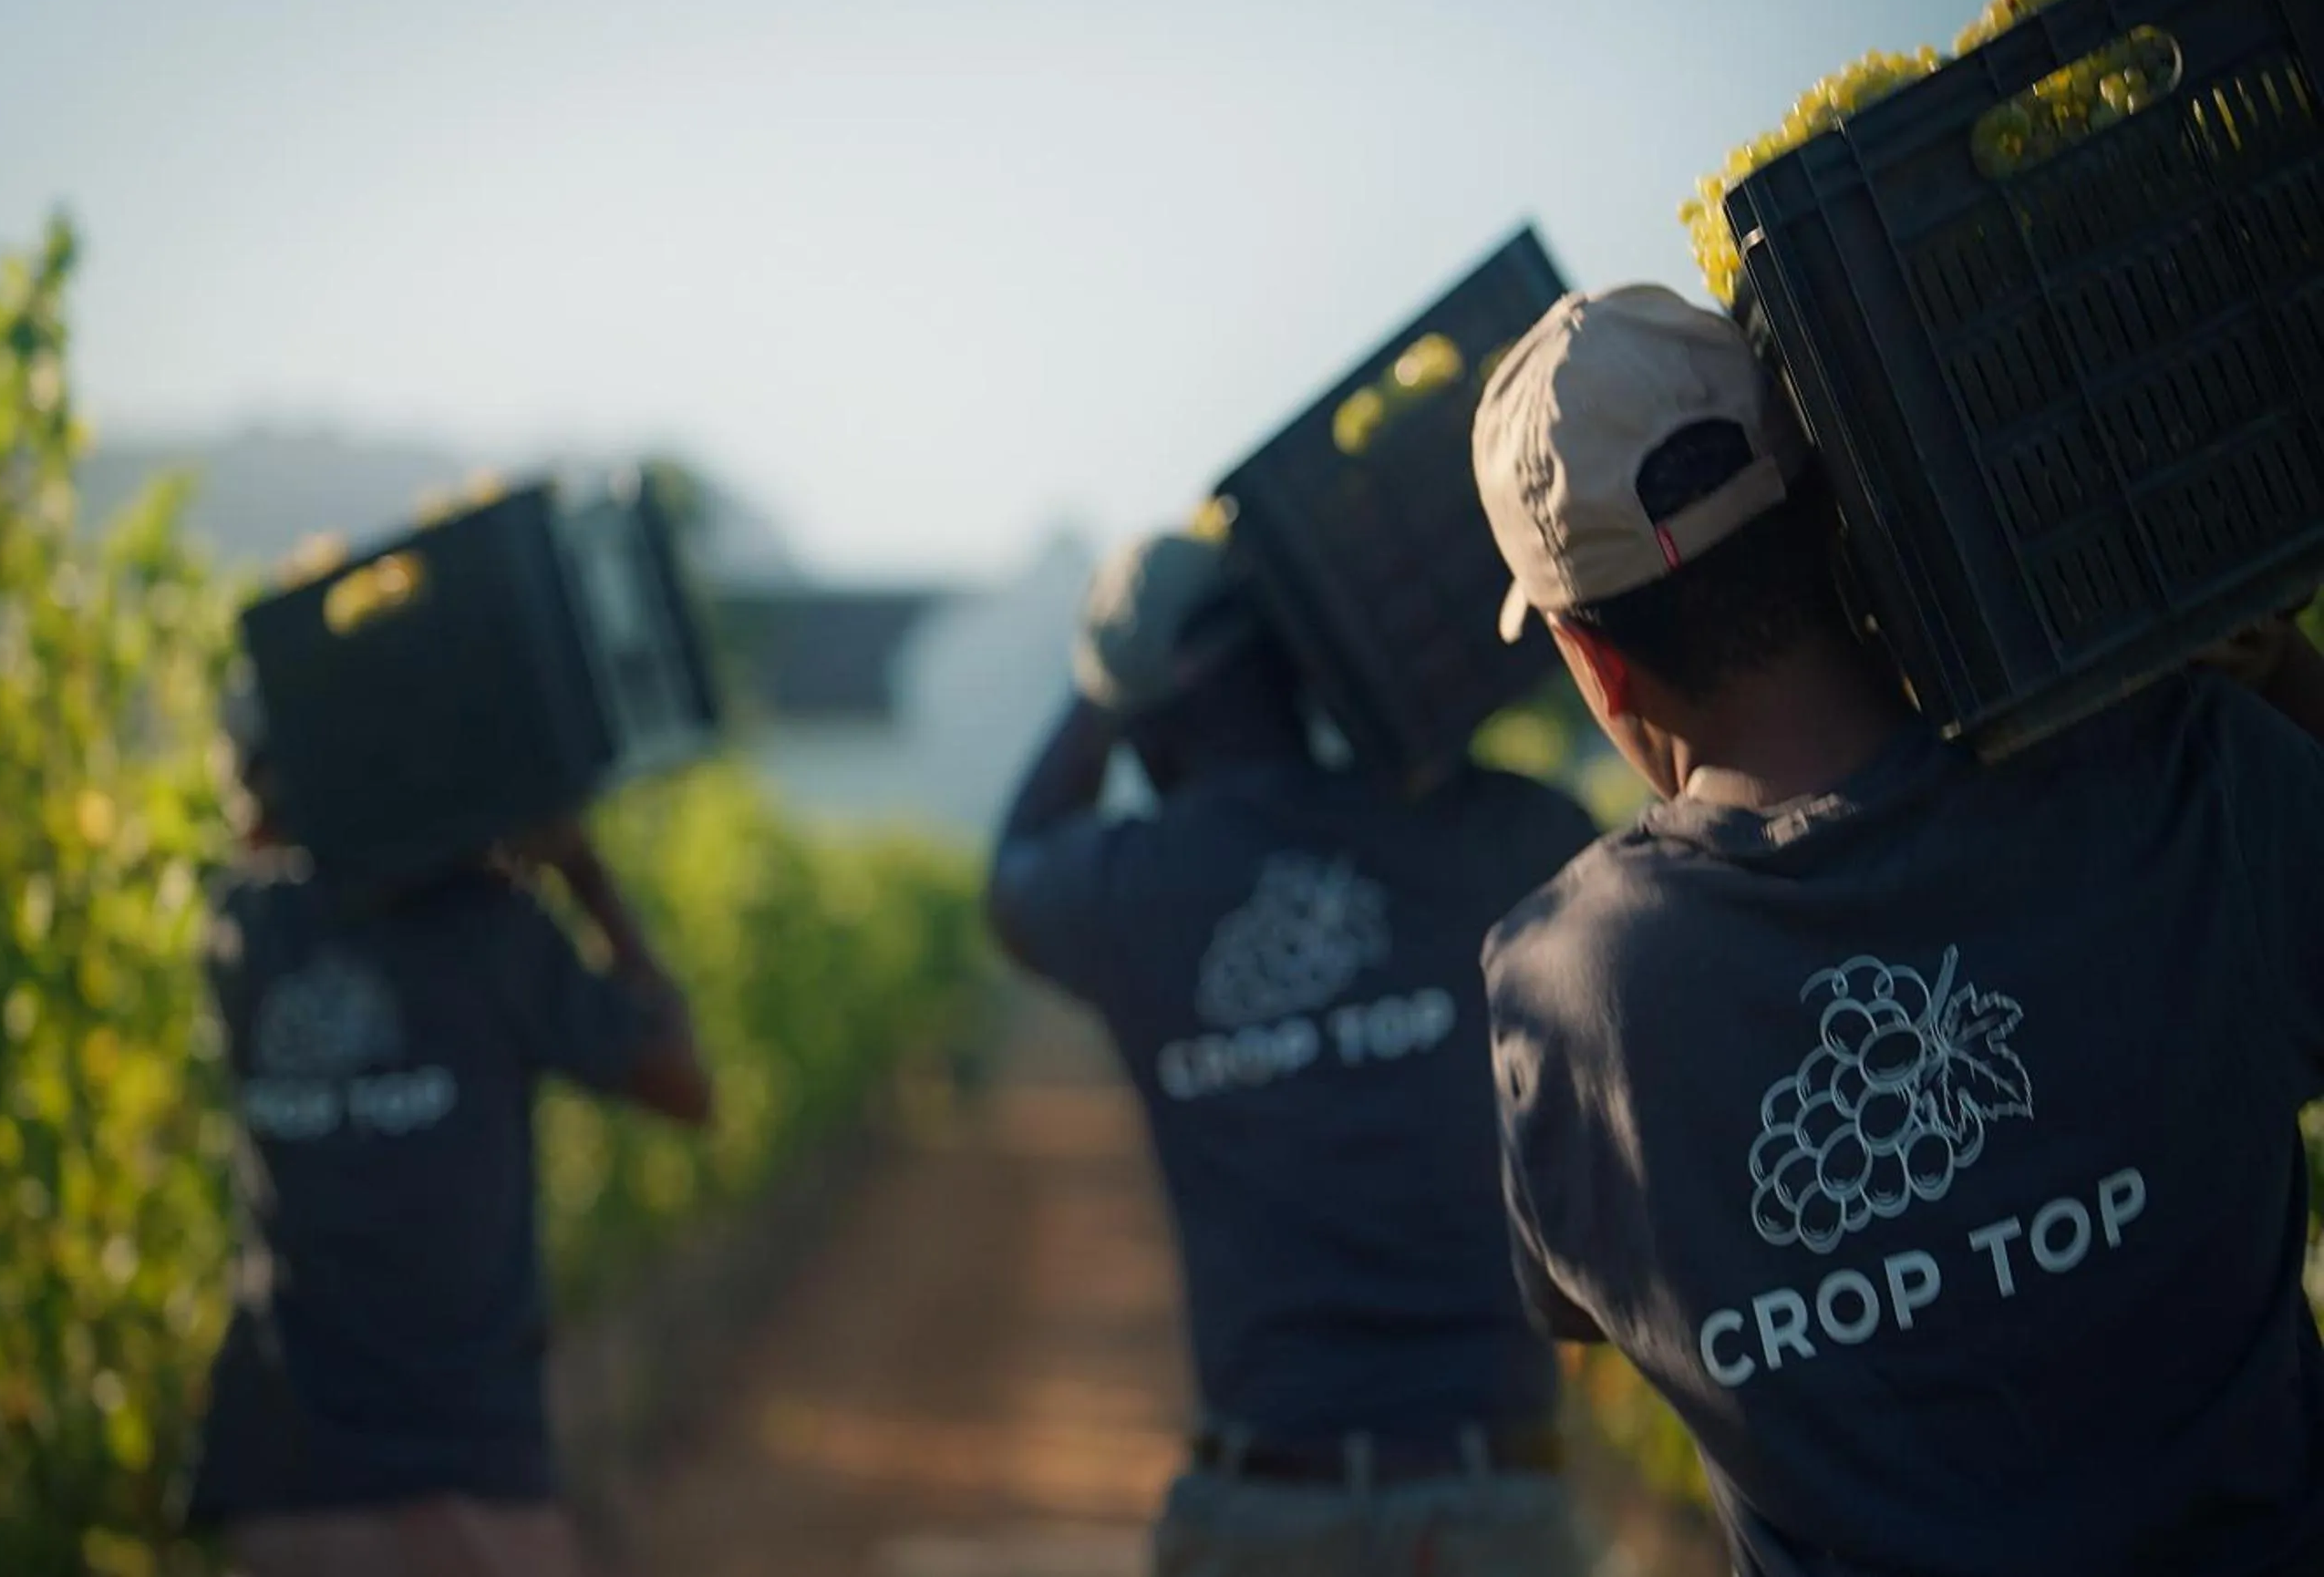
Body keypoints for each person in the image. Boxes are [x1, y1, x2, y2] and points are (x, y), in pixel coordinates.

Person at [1469, 282, 2324, 1575]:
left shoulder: (1558, 994)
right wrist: (2287, 682)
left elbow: (1587, 1305)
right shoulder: (2179, 774)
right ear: (1832, 511)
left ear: (1596, 661)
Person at [986, 528, 1602, 1577]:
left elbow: (1015, 863)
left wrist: (1106, 673)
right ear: (1298, 661)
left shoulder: (1127, 894)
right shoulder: (1482, 831)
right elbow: (1579, 825)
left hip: (1264, 1521)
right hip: (1496, 1511)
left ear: (1144, 728)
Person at [181, 675, 714, 1577]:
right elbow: (684, 1084)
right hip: (469, 1495)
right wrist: (581, 869)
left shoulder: (240, 934)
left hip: (283, 1491)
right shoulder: (493, 935)